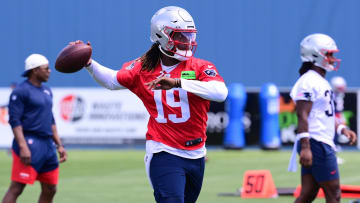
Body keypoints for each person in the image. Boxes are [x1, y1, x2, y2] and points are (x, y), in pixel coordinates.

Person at [76, 6, 228, 203]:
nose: (187, 42)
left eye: (189, 36)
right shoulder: (143, 67)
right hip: (163, 150)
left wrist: (178, 82)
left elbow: (220, 92)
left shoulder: (200, 67)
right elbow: (112, 81)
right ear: (161, 36)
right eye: (180, 36)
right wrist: (89, 63)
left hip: (197, 153)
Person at [288, 33, 357, 203]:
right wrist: (305, 147)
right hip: (316, 143)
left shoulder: (319, 80)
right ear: (314, 55)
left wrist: (341, 128)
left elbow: (323, 114)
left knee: (308, 194)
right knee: (334, 195)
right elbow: (302, 114)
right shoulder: (309, 81)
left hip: (318, 142)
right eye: (329, 54)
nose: (333, 58)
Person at [2, 54, 67, 203]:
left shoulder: (47, 91)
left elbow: (51, 120)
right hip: (30, 142)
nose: (50, 71)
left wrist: (59, 145)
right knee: (17, 187)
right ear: (35, 70)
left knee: (51, 189)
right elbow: (14, 120)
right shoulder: (21, 91)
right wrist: (23, 146)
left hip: (47, 146)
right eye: (46, 68)